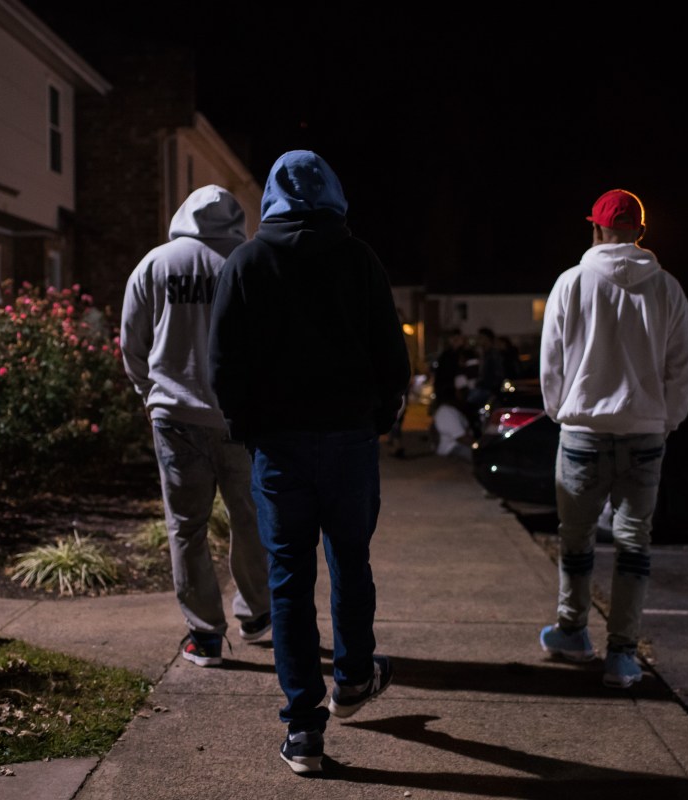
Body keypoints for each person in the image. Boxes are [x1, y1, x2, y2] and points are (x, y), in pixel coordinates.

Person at [207, 151, 412, 775]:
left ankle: (303, 729)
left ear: (271, 195)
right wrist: (376, 419)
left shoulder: (246, 261)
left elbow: (224, 364)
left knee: (289, 578)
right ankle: (352, 678)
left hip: (280, 445)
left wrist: (249, 427)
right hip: (348, 439)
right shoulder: (359, 259)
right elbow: (392, 358)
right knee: (351, 559)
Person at [538, 188, 688, 688]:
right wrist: (666, 418)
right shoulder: (667, 288)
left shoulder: (571, 283)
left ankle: (573, 631)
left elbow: (552, 360)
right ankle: (622, 656)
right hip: (645, 432)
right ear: (640, 234)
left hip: (583, 431)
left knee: (576, 537)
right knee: (634, 545)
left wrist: (560, 410)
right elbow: (681, 365)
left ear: (596, 230)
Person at [120, 184, 272, 669]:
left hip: (177, 418)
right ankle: (256, 613)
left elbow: (132, 342)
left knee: (186, 527)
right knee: (250, 518)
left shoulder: (157, 264)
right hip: (241, 418)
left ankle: (205, 635)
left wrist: (151, 395)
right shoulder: (252, 262)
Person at [430, 383, 474, 461]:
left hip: (455, 446)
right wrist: (479, 446)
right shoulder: (447, 412)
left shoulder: (450, 409)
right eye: (458, 393)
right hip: (452, 448)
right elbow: (461, 437)